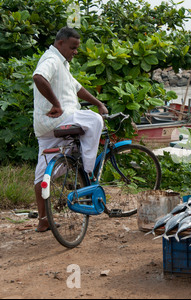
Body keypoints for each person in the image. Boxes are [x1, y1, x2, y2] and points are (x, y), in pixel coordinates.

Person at [33, 27, 108, 232]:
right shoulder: (51, 60)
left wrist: (98, 102)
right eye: (73, 47)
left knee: (41, 177)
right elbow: (39, 77)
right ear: (60, 44)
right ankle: (88, 170)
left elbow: (77, 88)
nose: (76, 51)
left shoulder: (61, 63)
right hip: (59, 119)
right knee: (94, 121)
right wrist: (56, 104)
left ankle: (43, 220)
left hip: (44, 127)